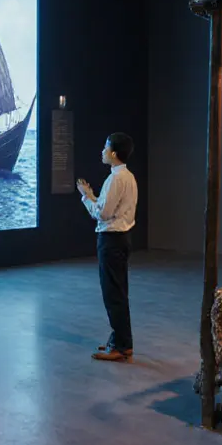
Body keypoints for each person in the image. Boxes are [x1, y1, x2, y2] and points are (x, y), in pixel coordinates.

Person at [77, 132, 138, 363]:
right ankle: (122, 340)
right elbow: (109, 207)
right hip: (122, 238)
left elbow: (102, 214)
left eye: (105, 148)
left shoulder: (115, 179)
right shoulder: (128, 177)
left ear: (113, 153)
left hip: (111, 240)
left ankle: (121, 345)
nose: (102, 152)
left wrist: (86, 197)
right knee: (119, 292)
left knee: (113, 294)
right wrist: (94, 196)